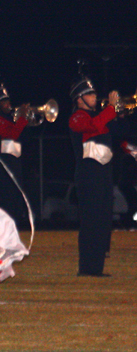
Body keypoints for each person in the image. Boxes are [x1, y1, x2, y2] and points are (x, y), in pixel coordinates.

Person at [68, 76, 119, 277]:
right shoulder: (76, 117)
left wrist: (119, 115)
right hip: (88, 177)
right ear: (79, 99)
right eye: (90, 94)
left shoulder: (99, 117)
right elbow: (93, 126)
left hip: (104, 176)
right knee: (90, 222)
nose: (95, 97)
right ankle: (86, 268)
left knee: (103, 221)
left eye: (94, 93)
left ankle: (97, 268)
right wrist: (111, 108)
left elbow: (115, 130)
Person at [0, 84, 31, 225]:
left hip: (16, 167)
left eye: (8, 101)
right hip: (4, 171)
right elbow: (12, 134)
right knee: (6, 205)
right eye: (3, 102)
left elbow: (20, 136)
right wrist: (23, 118)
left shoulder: (10, 120)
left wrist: (25, 120)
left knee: (17, 205)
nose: (8, 104)